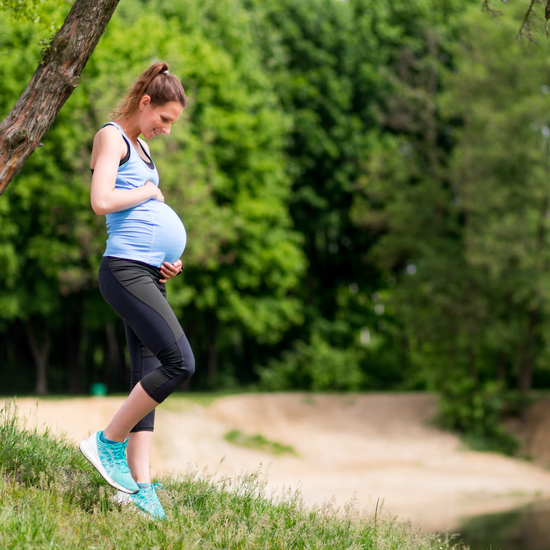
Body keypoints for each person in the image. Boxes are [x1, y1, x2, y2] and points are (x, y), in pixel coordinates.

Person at [79, 62, 195, 521]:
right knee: (180, 363)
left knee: (146, 374)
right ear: (145, 102)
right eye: (163, 119)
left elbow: (144, 214)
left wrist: (170, 259)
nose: (165, 130)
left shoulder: (143, 148)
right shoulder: (112, 137)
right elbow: (101, 200)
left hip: (149, 273)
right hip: (123, 271)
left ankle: (139, 488)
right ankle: (106, 442)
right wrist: (148, 192)